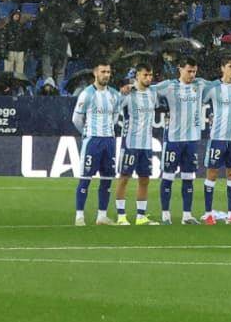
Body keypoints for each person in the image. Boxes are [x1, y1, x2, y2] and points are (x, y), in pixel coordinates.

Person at [151, 57, 206, 225]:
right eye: (189, 71)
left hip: (192, 140)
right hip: (173, 139)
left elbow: (221, 84)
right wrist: (130, 87)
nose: (192, 75)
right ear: (180, 69)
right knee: (168, 176)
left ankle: (187, 216)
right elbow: (148, 89)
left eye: (194, 71)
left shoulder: (200, 84)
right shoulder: (169, 85)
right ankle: (165, 215)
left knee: (189, 177)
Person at [201, 56, 231, 225]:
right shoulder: (214, 87)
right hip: (217, 137)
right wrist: (208, 116)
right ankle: (208, 213)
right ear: (222, 68)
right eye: (230, 66)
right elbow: (200, 102)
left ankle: (230, 215)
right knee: (212, 173)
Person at [73, 61, 121, 226]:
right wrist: (87, 133)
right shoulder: (87, 94)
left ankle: (102, 216)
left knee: (107, 179)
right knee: (85, 178)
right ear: (95, 73)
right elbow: (76, 119)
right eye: (103, 72)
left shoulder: (115, 95)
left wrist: (107, 131)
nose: (106, 75)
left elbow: (115, 117)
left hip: (109, 141)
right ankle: (79, 216)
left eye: (108, 72)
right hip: (92, 141)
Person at [114, 61, 160, 225]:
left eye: (150, 75)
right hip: (130, 143)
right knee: (124, 178)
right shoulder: (128, 94)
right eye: (145, 75)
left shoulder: (153, 93)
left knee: (144, 179)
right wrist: (121, 92)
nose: (148, 78)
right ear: (137, 76)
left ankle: (141, 216)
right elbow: (114, 110)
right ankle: (121, 216)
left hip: (147, 144)